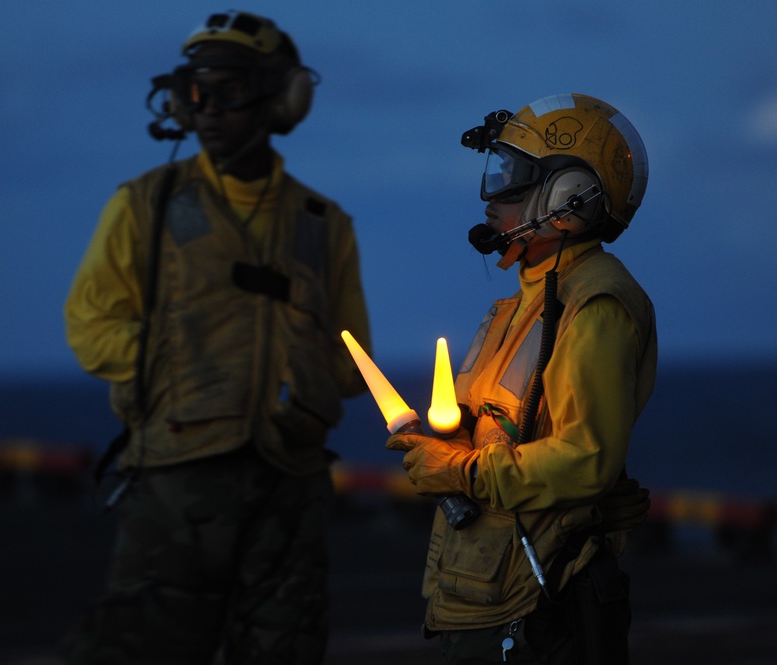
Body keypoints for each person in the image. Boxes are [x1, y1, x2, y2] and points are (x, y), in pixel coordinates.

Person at [62, 10, 371, 664]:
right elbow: (91, 325)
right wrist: (181, 371)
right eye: (193, 93)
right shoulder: (144, 202)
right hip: (177, 483)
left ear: (281, 97)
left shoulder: (324, 224)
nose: (206, 110)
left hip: (288, 490)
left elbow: (351, 364)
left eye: (228, 91)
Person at [386, 93, 656, 664]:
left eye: (512, 176)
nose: (493, 194)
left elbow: (586, 458)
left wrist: (460, 470)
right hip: (484, 590)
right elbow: (506, 432)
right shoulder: (520, 305)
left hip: (535, 602)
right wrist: (443, 441)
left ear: (569, 198)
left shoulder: (594, 304)